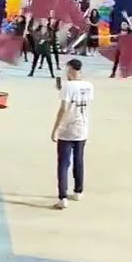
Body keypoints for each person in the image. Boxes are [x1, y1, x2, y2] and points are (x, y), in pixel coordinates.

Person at [50, 58, 93, 210]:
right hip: (82, 127)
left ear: (70, 70)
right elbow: (80, 99)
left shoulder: (67, 86)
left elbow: (64, 108)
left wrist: (55, 128)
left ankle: (62, 197)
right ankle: (78, 191)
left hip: (67, 129)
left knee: (63, 163)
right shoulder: (89, 86)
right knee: (79, 160)